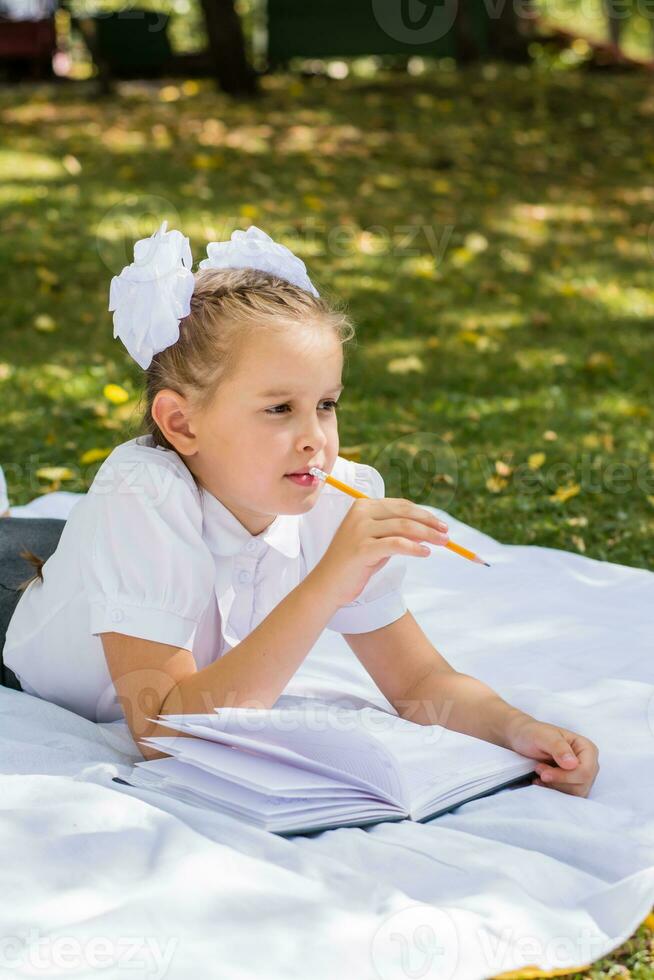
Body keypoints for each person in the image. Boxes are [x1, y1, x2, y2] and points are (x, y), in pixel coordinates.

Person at [3, 223, 599, 797]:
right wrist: (325, 584)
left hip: (83, 563)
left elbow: (419, 682)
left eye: (326, 404)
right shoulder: (140, 494)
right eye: (279, 409)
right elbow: (163, 731)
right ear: (181, 423)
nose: (316, 436)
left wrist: (517, 729)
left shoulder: (337, 497)